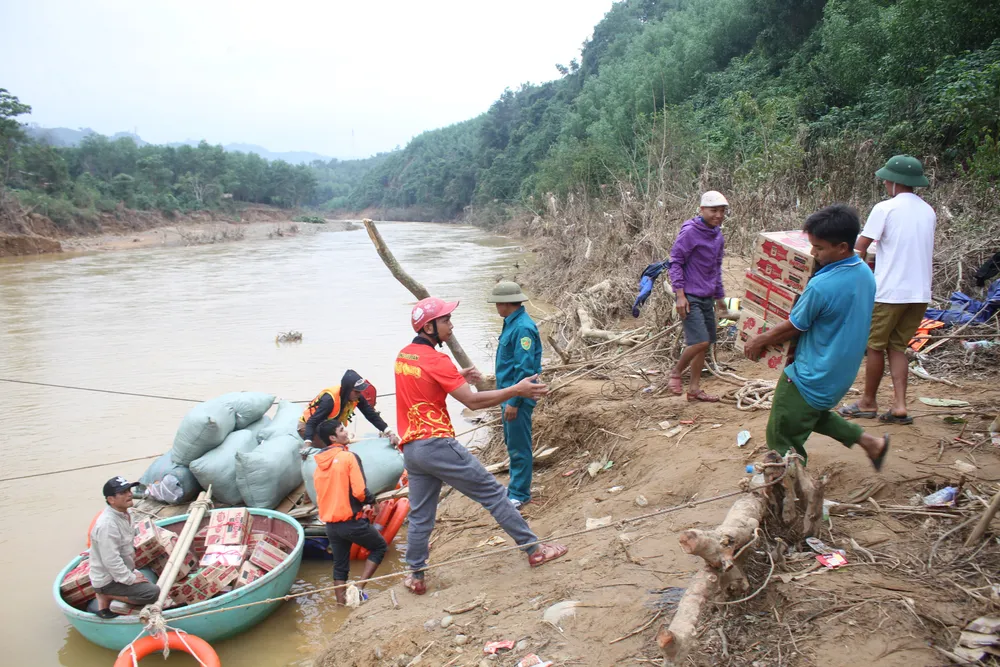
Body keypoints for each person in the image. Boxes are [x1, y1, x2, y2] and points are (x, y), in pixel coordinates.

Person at [395, 296, 568, 594]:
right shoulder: (437, 359)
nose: (451, 325)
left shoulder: (404, 356)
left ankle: (415, 575)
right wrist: (518, 389)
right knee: (493, 494)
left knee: (421, 514)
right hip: (437, 444)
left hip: (412, 449)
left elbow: (422, 384)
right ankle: (535, 550)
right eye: (446, 320)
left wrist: (456, 377)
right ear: (429, 327)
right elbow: (473, 402)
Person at [743, 204, 890, 469]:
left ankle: (788, 491)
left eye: (819, 248)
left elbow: (794, 326)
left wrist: (758, 340)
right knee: (809, 414)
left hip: (811, 373)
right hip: (839, 373)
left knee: (781, 435)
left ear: (842, 247)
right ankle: (871, 443)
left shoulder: (822, 286)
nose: (813, 253)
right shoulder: (865, 273)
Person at [840, 155, 936, 425]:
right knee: (897, 347)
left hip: (889, 291)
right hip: (919, 294)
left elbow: (859, 246)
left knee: (874, 346)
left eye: (885, 179)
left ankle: (868, 401)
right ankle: (900, 406)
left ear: (894, 181)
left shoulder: (885, 208)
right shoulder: (928, 211)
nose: (883, 182)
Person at [312, 419, 386, 605]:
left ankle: (340, 604)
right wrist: (373, 502)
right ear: (332, 437)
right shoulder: (348, 457)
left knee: (340, 565)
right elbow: (360, 491)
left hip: (331, 526)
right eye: (342, 429)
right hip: (351, 522)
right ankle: (360, 589)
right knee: (379, 547)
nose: (346, 432)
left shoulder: (319, 465)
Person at [667, 191, 729, 402]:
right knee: (700, 341)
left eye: (722, 211)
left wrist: (720, 298)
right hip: (690, 295)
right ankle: (676, 372)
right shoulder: (690, 232)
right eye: (714, 211)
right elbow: (675, 262)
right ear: (702, 210)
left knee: (706, 342)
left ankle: (694, 389)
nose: (718, 215)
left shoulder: (717, 235)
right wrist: (680, 296)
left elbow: (716, 268)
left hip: (707, 296)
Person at [487, 281, 542, 510]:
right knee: (512, 442)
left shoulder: (522, 328)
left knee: (519, 445)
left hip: (516, 397)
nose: (497, 308)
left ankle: (520, 493)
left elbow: (525, 369)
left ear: (506, 303)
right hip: (508, 394)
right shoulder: (511, 323)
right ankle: (516, 487)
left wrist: (514, 401)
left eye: (498, 304)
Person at [89, 476, 160, 618]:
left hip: (122, 570)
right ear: (111, 500)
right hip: (108, 579)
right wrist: (130, 579)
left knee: (145, 579)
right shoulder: (108, 525)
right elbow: (111, 560)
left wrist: (132, 572)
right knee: (152, 593)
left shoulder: (127, 513)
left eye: (129, 490)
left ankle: (108, 593)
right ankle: (107, 595)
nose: (129, 494)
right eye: (123, 493)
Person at [299, 369, 400, 446]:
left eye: (360, 391)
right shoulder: (329, 401)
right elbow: (312, 422)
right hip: (309, 426)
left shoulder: (357, 397)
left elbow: (371, 415)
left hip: (328, 427)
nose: (359, 394)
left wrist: (389, 432)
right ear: (348, 390)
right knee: (329, 450)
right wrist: (307, 443)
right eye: (356, 391)